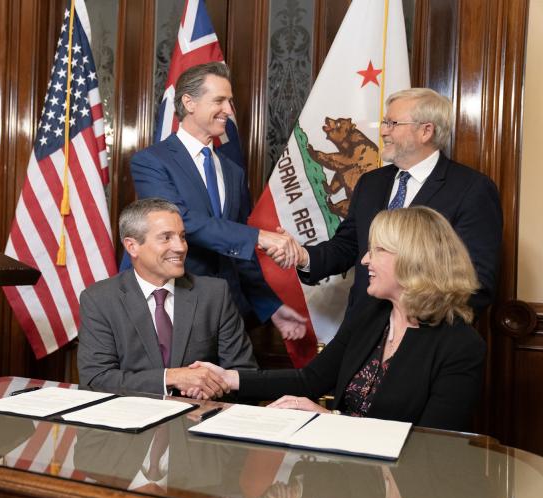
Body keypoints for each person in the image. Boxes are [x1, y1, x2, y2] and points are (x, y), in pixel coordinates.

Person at [191, 207, 486, 431]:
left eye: (378, 250)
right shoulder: (372, 315)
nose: (365, 260)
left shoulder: (460, 346)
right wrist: (227, 378)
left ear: (415, 260)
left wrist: (330, 419)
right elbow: (310, 380)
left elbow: (430, 444)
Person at [278, 88, 502, 316]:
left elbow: (476, 282)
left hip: (422, 333)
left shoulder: (472, 190)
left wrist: (411, 314)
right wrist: (304, 257)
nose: (383, 132)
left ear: (426, 131)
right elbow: (348, 245)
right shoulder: (370, 183)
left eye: (392, 123)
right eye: (385, 123)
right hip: (360, 327)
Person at [130, 62, 307, 341]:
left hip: (223, 313)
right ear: (189, 102)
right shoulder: (151, 162)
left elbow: (236, 251)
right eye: (220, 101)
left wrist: (269, 306)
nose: (229, 110)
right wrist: (260, 237)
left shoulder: (232, 171)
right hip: (168, 307)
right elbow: (180, 221)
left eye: (230, 101)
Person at [77, 198, 257, 399]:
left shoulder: (215, 294)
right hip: (131, 423)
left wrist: (210, 391)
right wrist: (170, 377)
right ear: (132, 246)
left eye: (182, 236)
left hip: (197, 420)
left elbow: (245, 375)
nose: (180, 248)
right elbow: (95, 379)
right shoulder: (99, 299)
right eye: (166, 238)